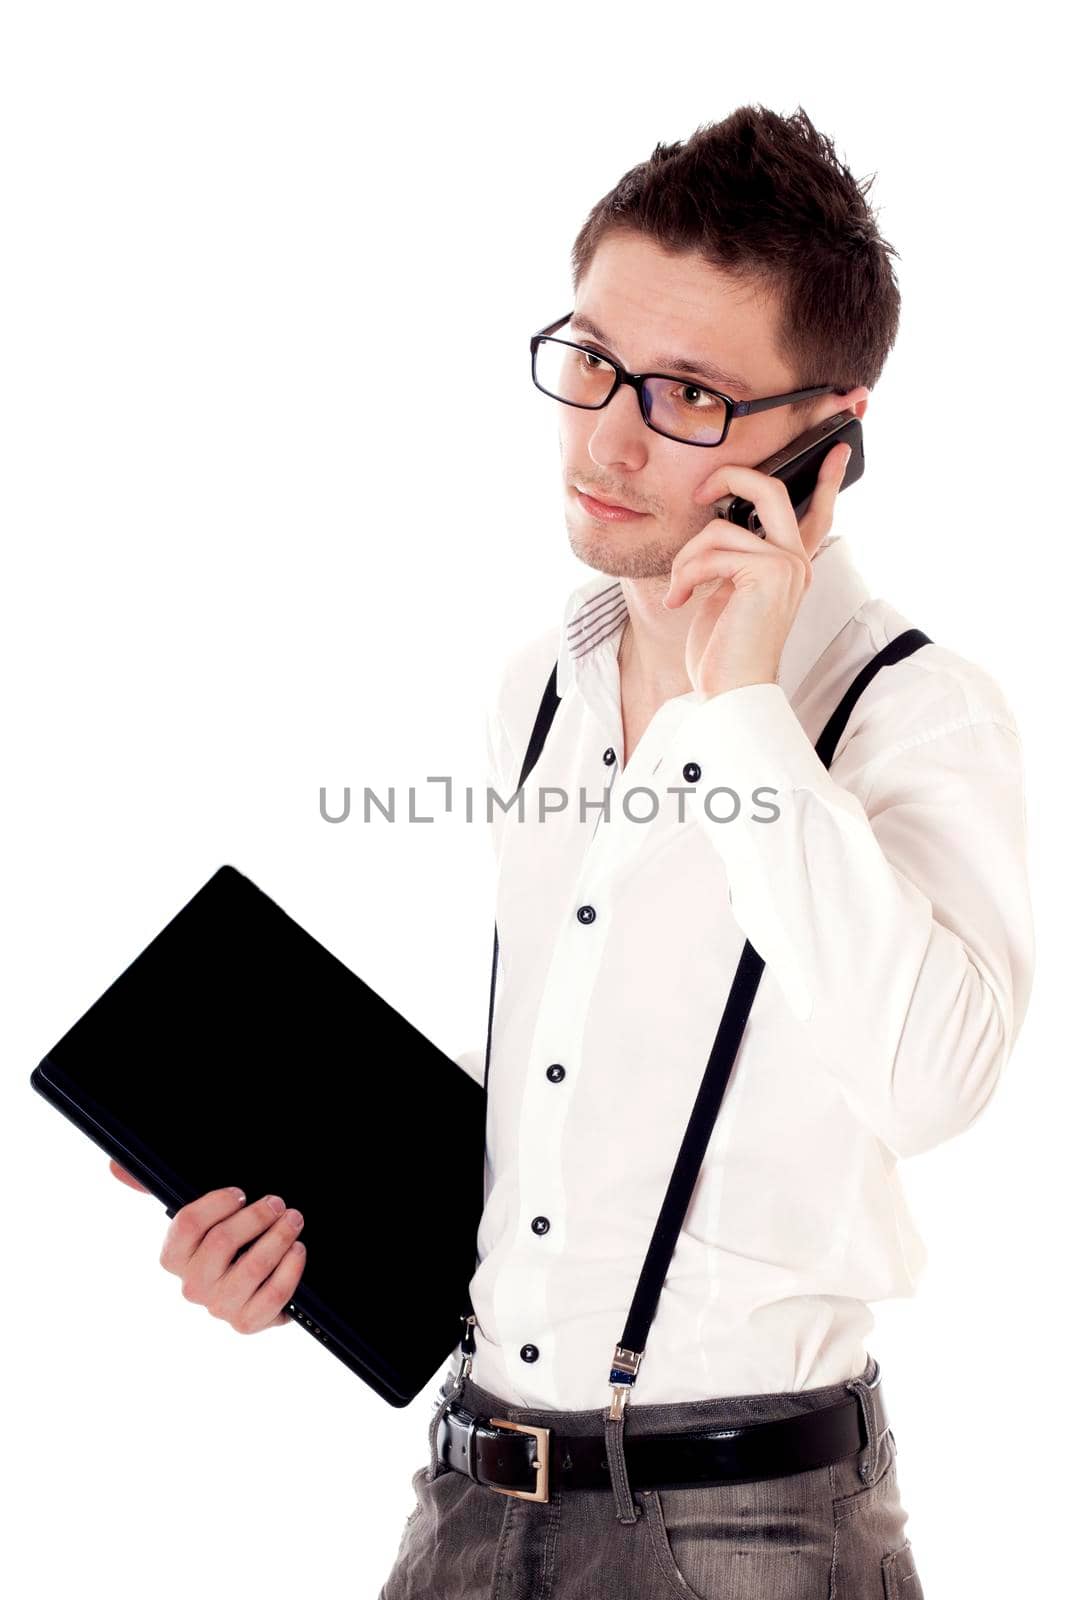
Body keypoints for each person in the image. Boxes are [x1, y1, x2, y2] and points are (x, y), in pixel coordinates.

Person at [116, 104, 1035, 1599]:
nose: (606, 434)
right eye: (593, 360)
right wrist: (313, 1255)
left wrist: (743, 706)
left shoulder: (910, 707)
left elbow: (930, 1085)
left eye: (685, 395)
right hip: (466, 1493)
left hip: (749, 1532)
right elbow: (589, 1108)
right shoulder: (542, 680)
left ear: (830, 441)